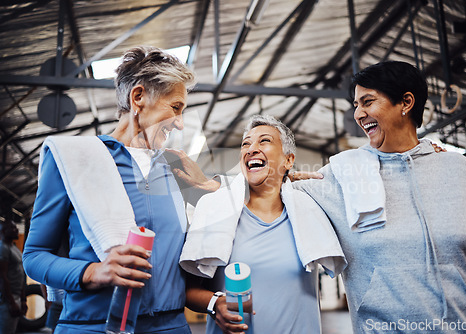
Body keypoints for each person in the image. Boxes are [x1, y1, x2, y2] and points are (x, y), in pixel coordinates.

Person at [292, 61, 466, 333]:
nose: (358, 114)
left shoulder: (457, 167)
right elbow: (262, 193)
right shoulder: (340, 175)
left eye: (367, 102)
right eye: (355, 105)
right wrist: (281, 177)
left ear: (406, 102)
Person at [23, 46, 205, 333]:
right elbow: (34, 256)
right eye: (175, 107)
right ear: (139, 97)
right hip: (93, 325)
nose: (180, 124)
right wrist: (93, 272)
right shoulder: (75, 158)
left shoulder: (175, 170)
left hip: (171, 326)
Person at [180, 115, 346, 334]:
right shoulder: (215, 212)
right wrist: (215, 303)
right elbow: (188, 291)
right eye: (245, 144)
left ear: (288, 160)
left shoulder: (311, 210)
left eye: (264, 141)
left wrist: (287, 178)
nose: (251, 149)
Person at [0, 219, 27, 334]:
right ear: (4, 231)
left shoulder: (14, 248)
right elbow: (2, 276)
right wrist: (11, 302)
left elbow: (19, 273)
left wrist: (23, 299)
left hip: (16, 297)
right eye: (13, 228)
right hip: (7, 300)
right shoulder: (3, 248)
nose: (16, 230)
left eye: (16, 227)